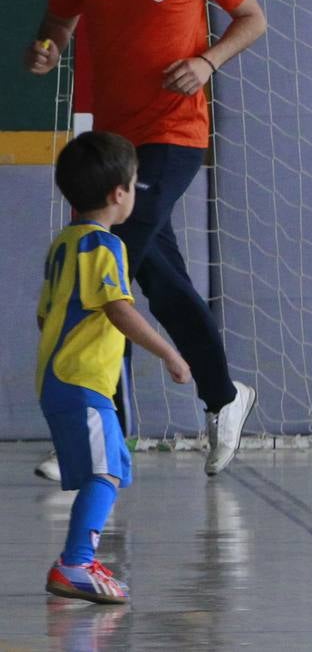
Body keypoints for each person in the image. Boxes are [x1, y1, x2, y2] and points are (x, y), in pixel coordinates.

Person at [24, 0, 266, 478]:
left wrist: (207, 61)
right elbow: (57, 23)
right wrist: (46, 50)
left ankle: (100, 425)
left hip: (175, 135)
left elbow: (252, 18)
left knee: (108, 258)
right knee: (153, 276)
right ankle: (220, 397)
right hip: (116, 142)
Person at [37, 132, 193, 604]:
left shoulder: (64, 244)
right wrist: (169, 351)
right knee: (104, 473)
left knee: (109, 468)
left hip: (60, 380)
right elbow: (118, 308)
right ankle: (75, 564)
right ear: (118, 194)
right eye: (135, 181)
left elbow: (45, 314)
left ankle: (78, 558)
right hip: (81, 381)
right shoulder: (105, 247)